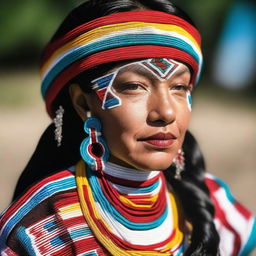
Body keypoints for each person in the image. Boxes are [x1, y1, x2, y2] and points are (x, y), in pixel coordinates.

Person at [0, 0, 255, 255]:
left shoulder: (214, 204)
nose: (165, 112)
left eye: (179, 87)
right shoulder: (43, 223)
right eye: (134, 86)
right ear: (82, 103)